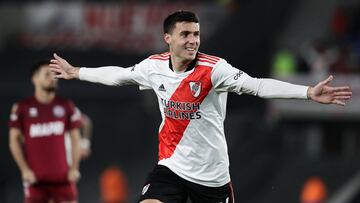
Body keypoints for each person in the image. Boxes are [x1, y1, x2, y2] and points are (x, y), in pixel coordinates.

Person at [50, 11, 352, 203]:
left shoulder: (214, 69)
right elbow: (118, 75)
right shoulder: (153, 67)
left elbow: (258, 85)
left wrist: (308, 93)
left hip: (212, 178)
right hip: (170, 169)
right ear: (168, 39)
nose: (193, 40)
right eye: (185, 34)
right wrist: (78, 72)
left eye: (196, 34)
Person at [8, 60, 82, 203]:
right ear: (34, 79)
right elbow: (13, 141)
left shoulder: (66, 105)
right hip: (36, 181)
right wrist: (24, 170)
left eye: (54, 74)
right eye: (47, 74)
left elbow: (75, 139)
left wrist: (74, 168)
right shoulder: (22, 108)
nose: (52, 78)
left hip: (63, 179)